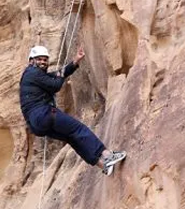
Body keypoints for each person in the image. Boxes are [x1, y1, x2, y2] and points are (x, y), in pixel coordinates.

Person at [19, 45, 126, 176]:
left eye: (45, 59)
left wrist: (75, 62)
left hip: (36, 125)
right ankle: (107, 155)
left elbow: (57, 74)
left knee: (72, 138)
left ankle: (102, 165)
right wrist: (59, 78)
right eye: (39, 59)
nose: (43, 62)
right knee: (78, 129)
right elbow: (56, 84)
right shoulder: (33, 73)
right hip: (44, 114)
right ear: (31, 61)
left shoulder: (33, 75)